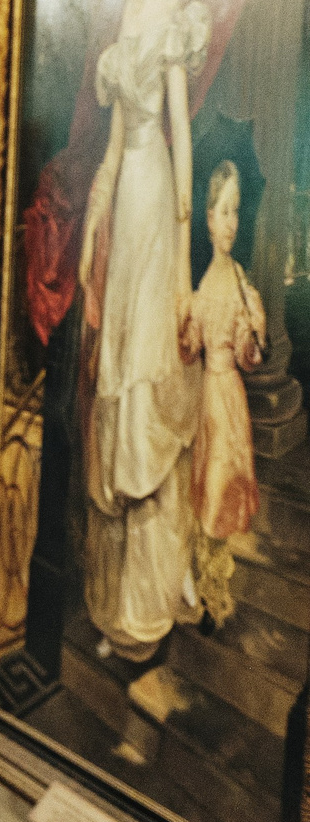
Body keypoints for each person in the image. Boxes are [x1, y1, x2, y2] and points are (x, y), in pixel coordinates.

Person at [81, 0, 210, 661]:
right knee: (117, 359)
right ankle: (120, 591)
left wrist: (187, 252)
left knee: (145, 361)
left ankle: (159, 586)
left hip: (158, 189)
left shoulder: (169, 7)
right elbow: (108, 146)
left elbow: (180, 135)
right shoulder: (129, 6)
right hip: (125, 190)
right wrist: (94, 217)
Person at [183, 160, 263, 610]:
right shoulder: (204, 286)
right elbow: (190, 348)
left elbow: (249, 360)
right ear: (208, 218)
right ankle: (206, 586)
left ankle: (216, 589)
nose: (230, 222)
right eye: (222, 211)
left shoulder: (240, 281)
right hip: (207, 399)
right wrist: (186, 326)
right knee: (208, 486)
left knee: (226, 482)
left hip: (230, 397)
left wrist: (252, 337)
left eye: (236, 211)